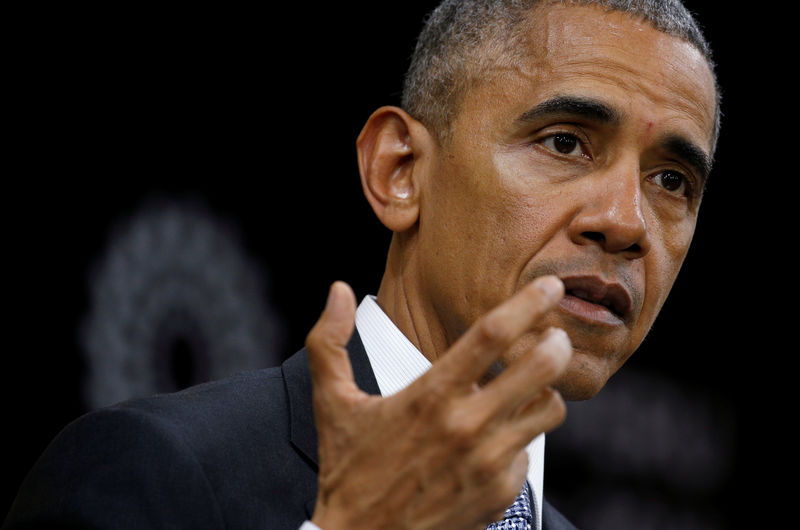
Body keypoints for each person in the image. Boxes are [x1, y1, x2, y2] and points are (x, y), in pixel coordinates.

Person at [3, 0, 720, 529]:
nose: (627, 223)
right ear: (399, 170)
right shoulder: (155, 473)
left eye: (672, 182)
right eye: (565, 143)